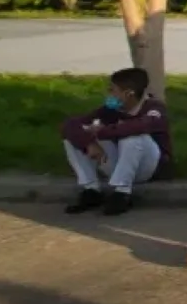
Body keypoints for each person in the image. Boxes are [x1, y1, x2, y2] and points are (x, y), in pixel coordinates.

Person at [61, 67, 173, 217]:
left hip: (147, 168)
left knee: (134, 138)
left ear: (128, 94)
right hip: (120, 164)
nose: (109, 94)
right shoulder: (111, 110)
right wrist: (88, 143)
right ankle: (91, 190)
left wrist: (101, 131)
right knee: (74, 137)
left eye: (113, 90)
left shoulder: (154, 108)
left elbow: (140, 125)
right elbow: (70, 125)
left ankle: (122, 193)